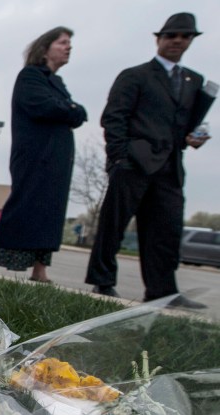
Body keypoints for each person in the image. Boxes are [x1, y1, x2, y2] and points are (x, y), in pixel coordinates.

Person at [86, 13, 213, 309]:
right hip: (133, 162)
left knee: (166, 229)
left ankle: (162, 289)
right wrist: (119, 157)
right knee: (114, 224)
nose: (178, 41)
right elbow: (114, 117)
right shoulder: (136, 75)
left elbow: (185, 125)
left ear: (191, 40)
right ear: (159, 39)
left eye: (185, 36)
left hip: (170, 167)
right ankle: (103, 280)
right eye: (172, 35)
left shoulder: (194, 81)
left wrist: (192, 139)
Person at [0, 27, 87, 283]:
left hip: (56, 161)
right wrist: (69, 108)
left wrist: (69, 109)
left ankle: (40, 268)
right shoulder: (30, 77)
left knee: (50, 213)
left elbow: (78, 113)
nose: (68, 47)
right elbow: (45, 107)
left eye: (70, 43)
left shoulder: (56, 82)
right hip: (35, 157)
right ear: (46, 47)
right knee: (23, 206)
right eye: (63, 42)